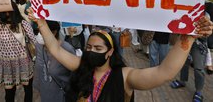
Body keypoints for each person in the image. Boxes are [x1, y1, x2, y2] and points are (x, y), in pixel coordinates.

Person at [27, 7, 213, 102]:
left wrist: (188, 37)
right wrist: (41, 24)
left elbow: (165, 72)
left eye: (98, 49)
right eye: (89, 47)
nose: (91, 51)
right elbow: (55, 49)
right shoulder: (81, 66)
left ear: (110, 52)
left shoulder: (125, 77)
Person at [0, 2, 36, 102]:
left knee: (28, 91)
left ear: (14, 11)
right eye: (3, 11)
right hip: (7, 66)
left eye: (8, 11)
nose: (6, 13)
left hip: (24, 64)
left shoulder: (23, 24)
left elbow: (34, 40)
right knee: (9, 94)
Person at [34, 20, 76, 102]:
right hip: (45, 93)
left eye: (41, 32)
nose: (39, 35)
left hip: (61, 94)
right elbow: (39, 69)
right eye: (38, 31)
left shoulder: (67, 49)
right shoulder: (39, 46)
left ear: (54, 32)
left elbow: (74, 76)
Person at [170, 37, 208, 102]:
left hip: (199, 42)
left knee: (199, 68)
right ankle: (182, 81)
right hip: (186, 39)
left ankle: (198, 92)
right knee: (184, 62)